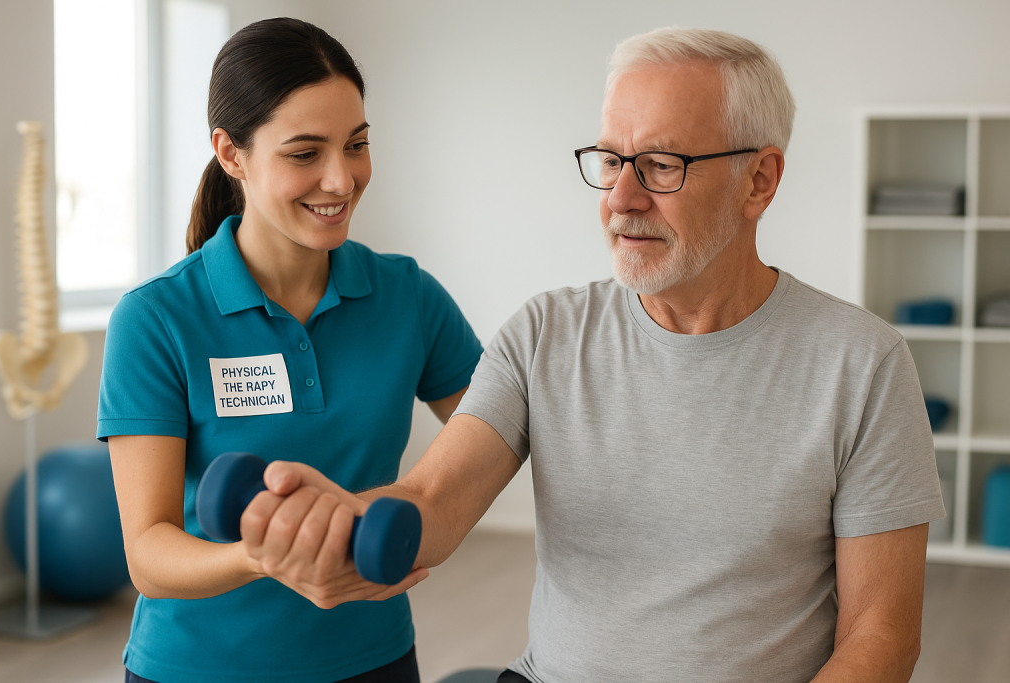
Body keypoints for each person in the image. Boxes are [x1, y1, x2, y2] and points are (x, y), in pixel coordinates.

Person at [243, 27, 945, 683]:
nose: (621, 198)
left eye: (661, 165)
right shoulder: (545, 332)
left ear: (759, 181)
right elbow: (433, 499)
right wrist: (344, 521)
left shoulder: (863, 364)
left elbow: (881, 634)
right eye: (610, 161)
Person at [97, 17, 482, 683]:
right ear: (231, 153)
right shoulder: (156, 318)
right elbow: (149, 553)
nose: (341, 180)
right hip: (198, 667)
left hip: (375, 659)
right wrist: (266, 554)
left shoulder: (408, 296)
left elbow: (496, 442)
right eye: (305, 154)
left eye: (357, 144)